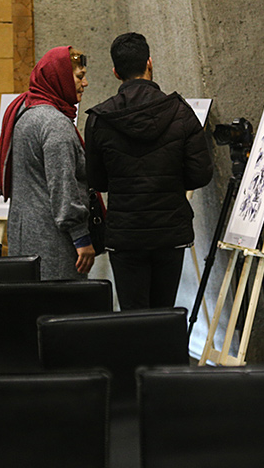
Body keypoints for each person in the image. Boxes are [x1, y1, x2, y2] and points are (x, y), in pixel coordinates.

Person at [84, 32, 213, 310]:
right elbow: (201, 174)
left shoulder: (100, 119)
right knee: (163, 312)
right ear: (150, 63)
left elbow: (97, 182)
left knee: (134, 318)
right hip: (170, 232)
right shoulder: (180, 112)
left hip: (125, 234)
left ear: (116, 72)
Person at [0, 46, 95, 279]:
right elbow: (63, 187)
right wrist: (81, 237)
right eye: (80, 76)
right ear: (59, 78)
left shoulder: (24, 113)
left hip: (23, 238)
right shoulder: (55, 124)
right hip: (54, 245)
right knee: (61, 310)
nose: (85, 83)